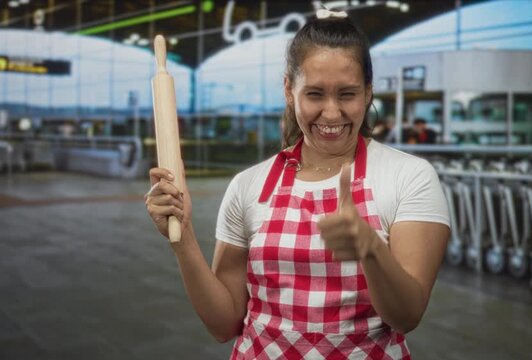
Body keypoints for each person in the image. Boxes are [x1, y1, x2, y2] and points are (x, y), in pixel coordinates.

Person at [144, 9, 450, 360]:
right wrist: (183, 240)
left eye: (347, 94)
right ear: (290, 90)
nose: (332, 113)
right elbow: (223, 325)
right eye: (315, 94)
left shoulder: (408, 176)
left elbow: (407, 316)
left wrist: (371, 249)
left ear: (368, 92)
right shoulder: (249, 185)